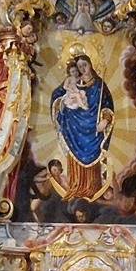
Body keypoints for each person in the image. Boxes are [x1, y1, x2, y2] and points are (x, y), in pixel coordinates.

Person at [50, 54, 114, 201]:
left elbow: (108, 105)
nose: (82, 69)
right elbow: (56, 95)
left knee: (93, 156)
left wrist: (105, 119)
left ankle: (93, 188)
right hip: (73, 126)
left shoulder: (99, 85)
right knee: (74, 156)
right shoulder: (74, 82)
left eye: (85, 65)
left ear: (90, 64)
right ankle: (76, 186)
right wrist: (63, 102)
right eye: (79, 66)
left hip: (93, 129)